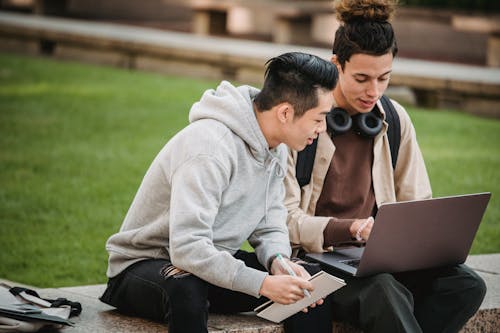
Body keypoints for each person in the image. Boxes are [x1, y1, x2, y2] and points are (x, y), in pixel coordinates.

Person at [283, 1, 487, 333]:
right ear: (336, 65)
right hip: (314, 261)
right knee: (384, 291)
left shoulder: (394, 119)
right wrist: (350, 228)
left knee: (466, 285)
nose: (374, 91)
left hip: (377, 261)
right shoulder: (303, 120)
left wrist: (415, 242)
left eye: (384, 78)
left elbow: (416, 203)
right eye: (362, 78)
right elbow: (282, 220)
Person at [99, 52, 339, 333]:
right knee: (186, 287)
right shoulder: (210, 148)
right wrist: (261, 284)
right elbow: (188, 248)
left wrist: (279, 262)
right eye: (319, 119)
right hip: (143, 266)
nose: (322, 129)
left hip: (209, 265)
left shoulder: (277, 146)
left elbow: (270, 223)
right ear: (285, 113)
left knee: (307, 281)